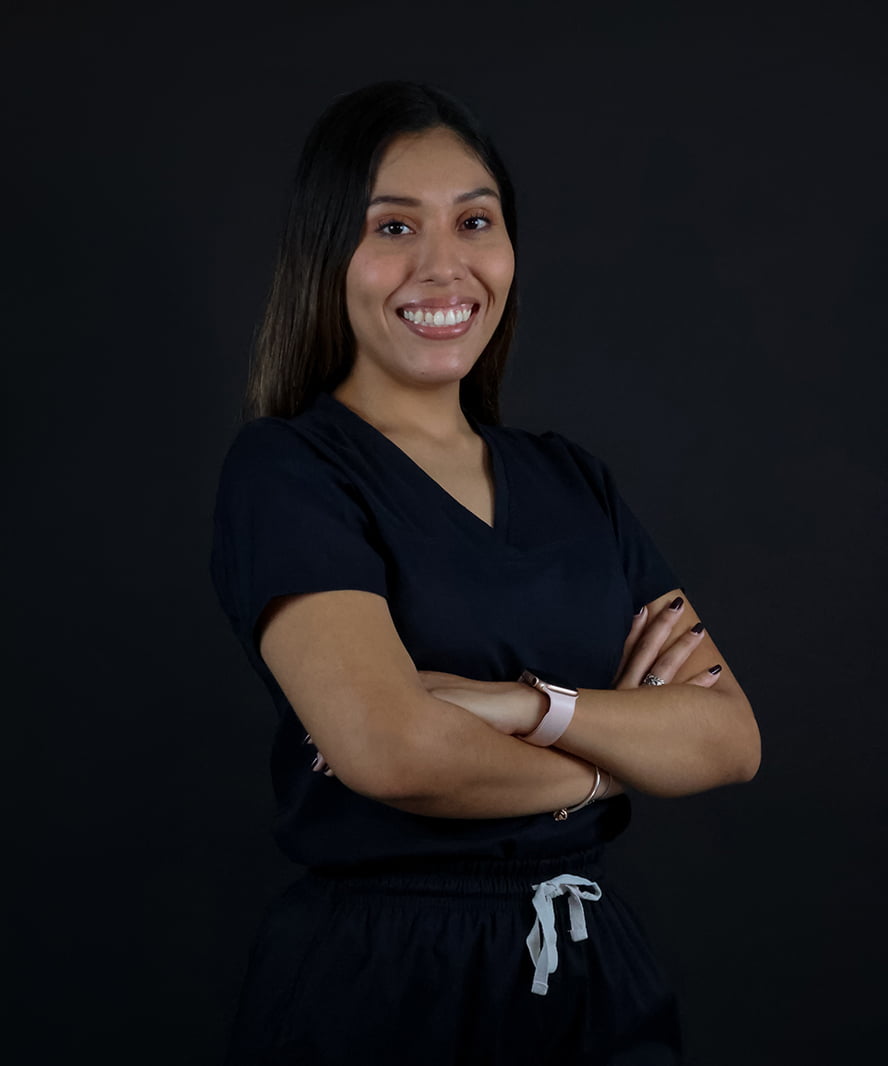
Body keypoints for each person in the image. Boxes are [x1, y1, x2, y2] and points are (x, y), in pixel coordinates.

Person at [210, 80, 760, 1066]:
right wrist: (612, 766)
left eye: (475, 221)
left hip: (594, 975)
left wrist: (523, 706)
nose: (443, 265)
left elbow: (727, 738)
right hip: (386, 984)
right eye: (393, 226)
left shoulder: (572, 481)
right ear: (327, 253)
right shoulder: (290, 470)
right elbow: (393, 751)